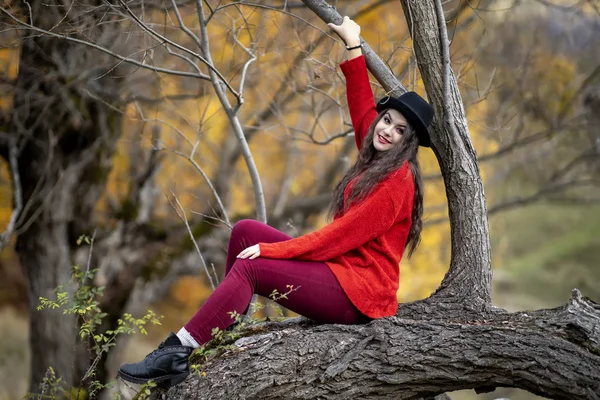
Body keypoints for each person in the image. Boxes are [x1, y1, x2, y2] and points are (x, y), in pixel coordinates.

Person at [117, 16, 434, 387]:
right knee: (244, 232)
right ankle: (220, 328)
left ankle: (177, 351)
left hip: (360, 295)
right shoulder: (379, 154)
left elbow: (340, 237)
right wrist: (352, 42)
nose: (386, 131)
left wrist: (274, 251)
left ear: (407, 143)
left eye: (399, 131)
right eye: (388, 120)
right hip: (342, 271)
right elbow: (361, 106)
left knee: (253, 264)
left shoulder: (398, 180)